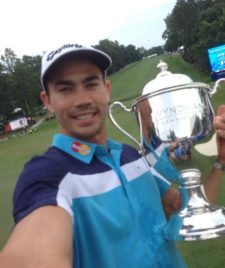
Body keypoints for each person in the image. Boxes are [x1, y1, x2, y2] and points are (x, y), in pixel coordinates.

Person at [0, 43, 225, 268]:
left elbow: (182, 209)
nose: (82, 100)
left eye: (91, 84)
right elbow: (32, 255)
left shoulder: (132, 156)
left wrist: (220, 162)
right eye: (65, 89)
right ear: (47, 101)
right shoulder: (47, 175)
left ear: (106, 89)